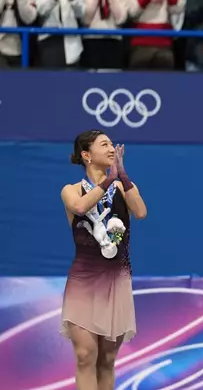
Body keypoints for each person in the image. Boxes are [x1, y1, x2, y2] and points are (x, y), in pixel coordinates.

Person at [60, 130, 147, 390]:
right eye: (104, 144)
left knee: (107, 359)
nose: (112, 149)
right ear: (86, 155)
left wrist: (123, 178)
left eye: (112, 144)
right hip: (83, 282)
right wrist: (107, 182)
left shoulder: (123, 186)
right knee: (86, 355)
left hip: (116, 281)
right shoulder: (70, 190)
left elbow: (141, 212)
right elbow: (79, 208)